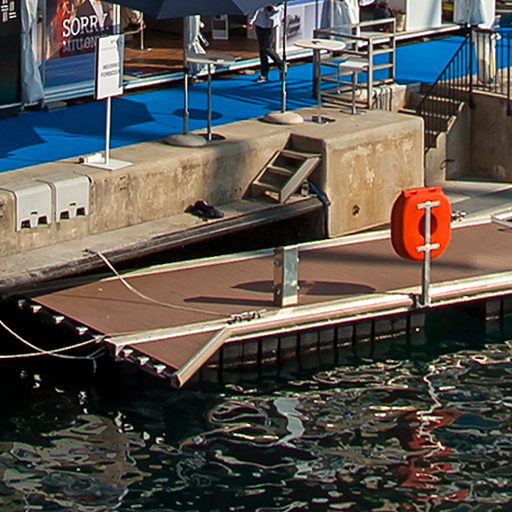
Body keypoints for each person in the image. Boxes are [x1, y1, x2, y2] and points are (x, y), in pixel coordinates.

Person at [247, 5, 284, 83]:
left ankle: (281, 65)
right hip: (260, 23)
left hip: (271, 24)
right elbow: (255, 8)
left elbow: (281, 6)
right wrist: (250, 21)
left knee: (267, 48)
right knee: (262, 49)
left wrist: (274, 8)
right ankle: (264, 74)